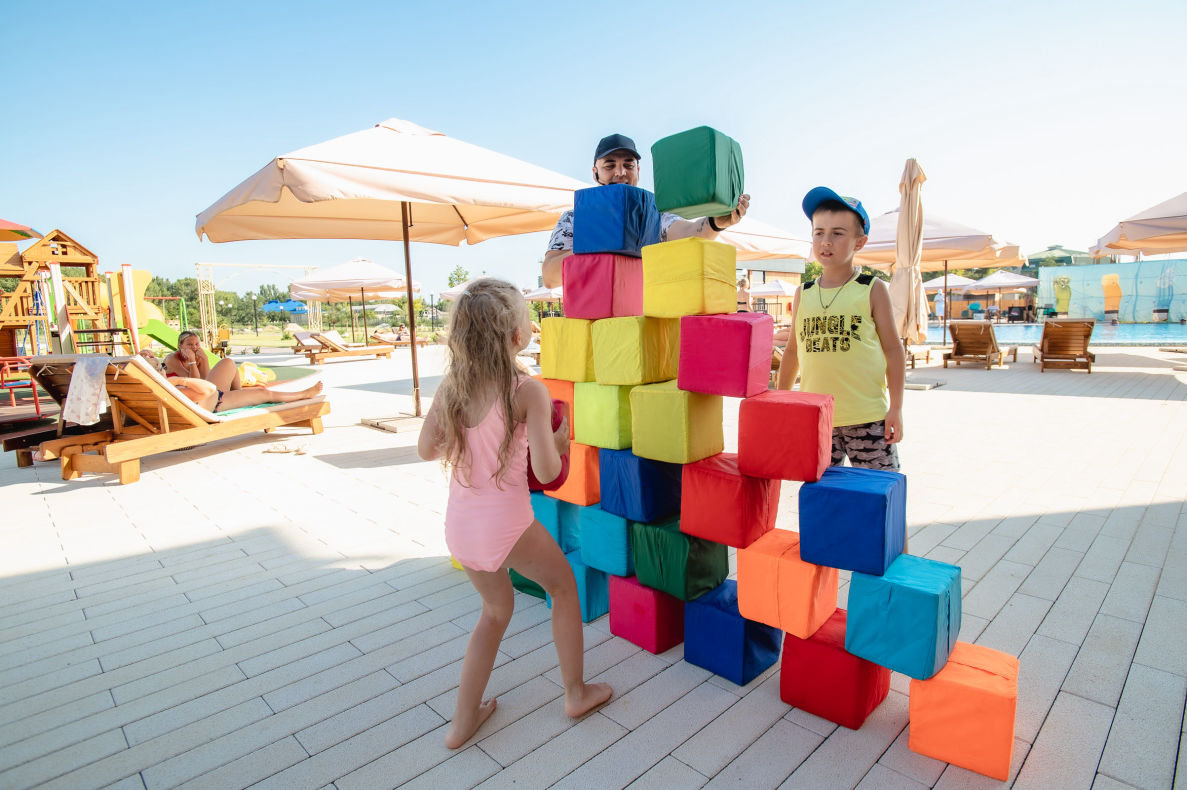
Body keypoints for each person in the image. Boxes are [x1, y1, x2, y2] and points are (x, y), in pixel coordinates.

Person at [416, 277, 612, 748]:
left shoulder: (451, 388)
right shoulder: (528, 391)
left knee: (495, 611)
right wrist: (560, 444)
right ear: (518, 336)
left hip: (461, 529)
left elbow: (426, 450)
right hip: (506, 526)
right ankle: (575, 693)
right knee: (563, 589)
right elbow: (546, 472)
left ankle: (461, 723)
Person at [776, 187, 905, 471]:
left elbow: (894, 350)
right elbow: (793, 351)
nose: (826, 241)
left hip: (868, 419)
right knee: (822, 493)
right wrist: (780, 402)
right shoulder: (803, 292)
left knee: (877, 492)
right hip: (816, 418)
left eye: (837, 233)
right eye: (819, 232)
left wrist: (896, 408)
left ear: (860, 242)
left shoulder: (872, 289)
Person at [541, 133, 750, 287]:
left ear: (638, 171)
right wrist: (595, 243)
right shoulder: (574, 219)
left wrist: (715, 223)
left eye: (628, 165)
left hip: (642, 323)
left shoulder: (654, 213)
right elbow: (550, 277)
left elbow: (689, 232)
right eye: (609, 165)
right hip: (592, 324)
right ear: (595, 173)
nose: (620, 172)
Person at [163, 331, 245, 394]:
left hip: (202, 393)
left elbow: (206, 380)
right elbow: (193, 382)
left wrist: (205, 359)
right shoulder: (172, 359)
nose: (194, 347)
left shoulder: (198, 357)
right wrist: (192, 361)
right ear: (180, 346)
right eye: (189, 344)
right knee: (228, 363)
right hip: (189, 397)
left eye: (197, 344)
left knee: (231, 364)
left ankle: (238, 394)